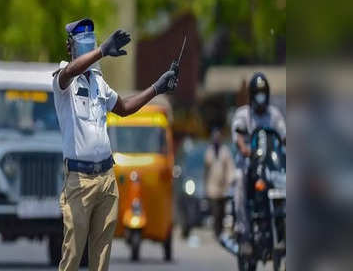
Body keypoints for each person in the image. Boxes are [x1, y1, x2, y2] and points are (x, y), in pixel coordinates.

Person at [52, 18, 180, 271]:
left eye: (93, 42)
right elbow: (69, 73)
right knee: (73, 253)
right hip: (80, 181)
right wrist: (101, 51)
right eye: (84, 43)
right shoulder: (64, 78)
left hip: (106, 178)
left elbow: (123, 108)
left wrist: (157, 88)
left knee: (101, 259)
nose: (91, 48)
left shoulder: (98, 82)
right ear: (71, 48)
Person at [231, 72, 286, 254]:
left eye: (263, 92)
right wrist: (244, 149)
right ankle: (244, 234)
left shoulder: (275, 115)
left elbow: (284, 136)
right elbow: (238, 135)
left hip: (271, 167)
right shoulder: (243, 114)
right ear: (252, 95)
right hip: (250, 168)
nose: (260, 97)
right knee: (238, 181)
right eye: (257, 93)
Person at [204, 129, 235, 238]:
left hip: (223, 188)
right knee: (216, 212)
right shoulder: (209, 151)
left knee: (222, 212)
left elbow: (230, 167)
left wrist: (231, 180)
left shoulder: (225, 151)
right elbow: (206, 169)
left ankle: (220, 232)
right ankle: (217, 233)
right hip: (212, 187)